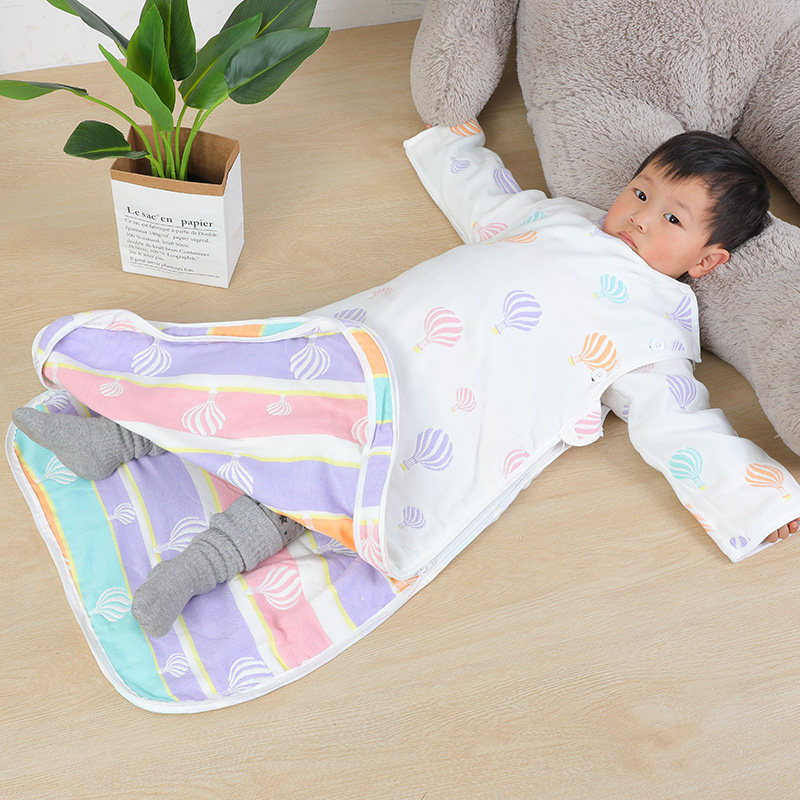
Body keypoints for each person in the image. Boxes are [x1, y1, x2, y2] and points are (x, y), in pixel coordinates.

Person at [13, 123, 800, 638]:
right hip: (377, 339)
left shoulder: (653, 328)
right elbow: (487, 202)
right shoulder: (557, 217)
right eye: (641, 192)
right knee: (256, 382)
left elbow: (679, 424)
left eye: (671, 218)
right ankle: (114, 437)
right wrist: (455, 146)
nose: (638, 216)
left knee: (320, 481)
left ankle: (193, 569)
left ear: (706, 261)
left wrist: (761, 501)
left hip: (438, 405)